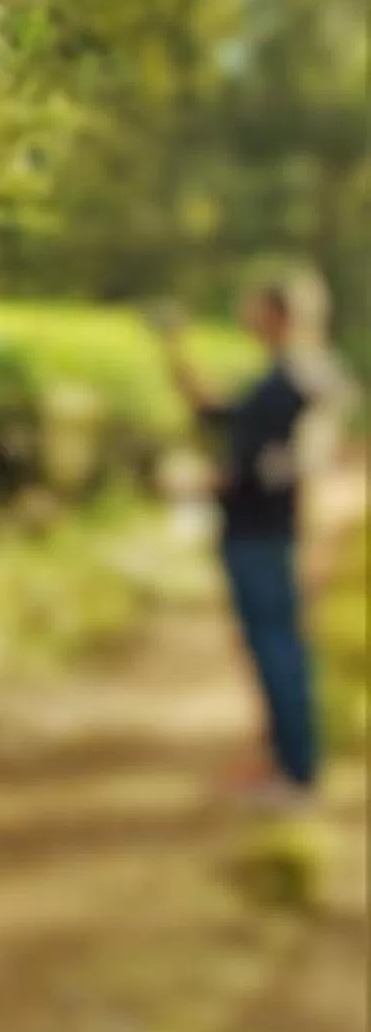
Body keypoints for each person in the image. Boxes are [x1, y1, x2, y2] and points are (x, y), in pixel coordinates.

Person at [162, 272, 339, 812]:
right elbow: (220, 416)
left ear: (280, 315)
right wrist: (175, 355)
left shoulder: (293, 382)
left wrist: (204, 483)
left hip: (263, 534)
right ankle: (286, 763)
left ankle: (295, 773)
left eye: (255, 306)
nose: (246, 313)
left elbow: (275, 468)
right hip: (260, 532)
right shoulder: (284, 378)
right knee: (272, 648)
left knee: (277, 650)